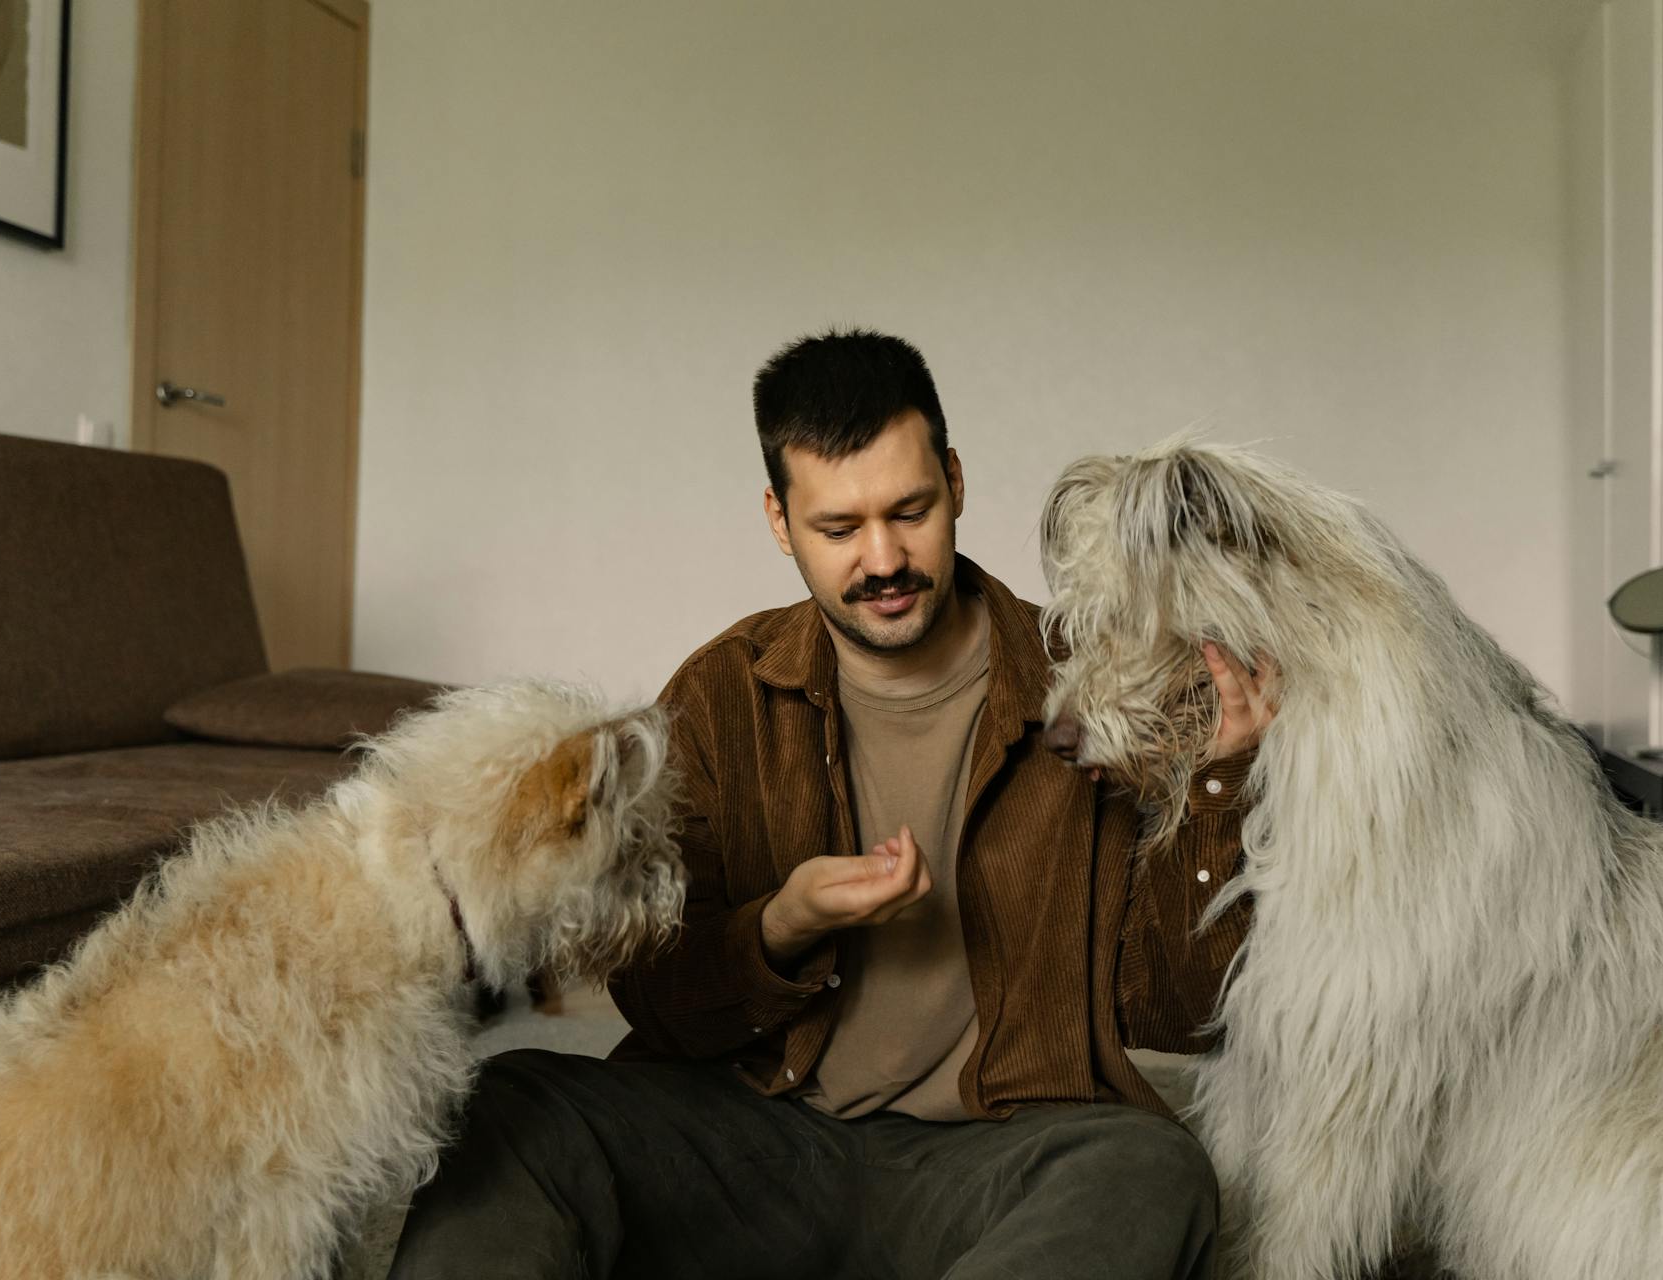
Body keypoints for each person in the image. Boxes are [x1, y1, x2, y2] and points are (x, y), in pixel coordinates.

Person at [387, 330, 1272, 1279]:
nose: (884, 559)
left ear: (958, 483)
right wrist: (782, 927)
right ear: (780, 521)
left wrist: (1222, 785)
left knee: (1151, 1168)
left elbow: (1185, 1018)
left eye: (911, 511)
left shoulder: (1094, 686)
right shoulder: (725, 689)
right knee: (516, 1103)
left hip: (995, 1151)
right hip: (764, 1141)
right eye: (839, 529)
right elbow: (658, 998)